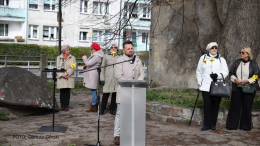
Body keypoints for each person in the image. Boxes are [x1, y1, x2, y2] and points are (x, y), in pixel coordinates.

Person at [113, 40, 145, 145]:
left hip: (136, 92)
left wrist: (136, 84)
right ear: (124, 50)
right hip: (124, 91)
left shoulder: (138, 60)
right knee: (120, 114)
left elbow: (142, 74)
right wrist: (128, 85)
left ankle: (131, 133)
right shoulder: (119, 60)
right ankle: (117, 135)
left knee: (133, 114)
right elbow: (118, 76)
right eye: (128, 49)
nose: (131, 50)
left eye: (132, 48)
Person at [196, 42, 229, 131]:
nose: (214, 49)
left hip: (217, 85)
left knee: (215, 105)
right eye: (212, 48)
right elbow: (198, 71)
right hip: (205, 85)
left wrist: (217, 76)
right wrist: (199, 82)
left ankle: (212, 124)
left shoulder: (221, 59)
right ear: (209, 49)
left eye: (216, 48)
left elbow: (226, 71)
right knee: (207, 105)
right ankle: (207, 124)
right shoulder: (203, 58)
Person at [226, 47, 260, 131]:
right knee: (234, 107)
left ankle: (245, 127)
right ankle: (232, 126)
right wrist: (235, 79)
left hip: (249, 88)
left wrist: (247, 81)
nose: (241, 54)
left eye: (243, 53)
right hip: (237, 88)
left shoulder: (253, 64)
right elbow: (231, 74)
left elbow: (256, 76)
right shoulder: (237, 62)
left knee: (247, 108)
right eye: (240, 52)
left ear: (248, 54)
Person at [100, 41, 121, 115]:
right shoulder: (106, 56)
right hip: (107, 78)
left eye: (115, 47)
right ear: (110, 48)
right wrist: (102, 78)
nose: (113, 49)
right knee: (105, 95)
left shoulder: (119, 56)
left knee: (114, 95)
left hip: (116, 78)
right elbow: (102, 68)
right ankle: (102, 109)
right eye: (112, 47)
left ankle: (112, 109)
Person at [82, 43, 104, 112]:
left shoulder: (96, 57)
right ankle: (95, 104)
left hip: (93, 74)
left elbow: (88, 63)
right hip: (94, 73)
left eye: (91, 49)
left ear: (95, 49)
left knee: (93, 90)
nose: (91, 50)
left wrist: (84, 57)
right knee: (94, 90)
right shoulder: (98, 56)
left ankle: (94, 104)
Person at [56, 44, 76, 111]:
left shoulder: (72, 58)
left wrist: (67, 73)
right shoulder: (59, 58)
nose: (69, 51)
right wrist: (62, 74)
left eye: (69, 50)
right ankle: (62, 105)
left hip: (69, 77)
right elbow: (57, 67)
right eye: (67, 50)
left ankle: (66, 105)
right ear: (64, 51)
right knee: (62, 92)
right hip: (62, 77)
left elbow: (73, 67)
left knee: (67, 92)